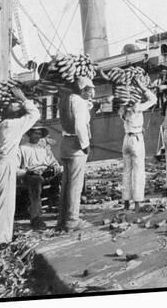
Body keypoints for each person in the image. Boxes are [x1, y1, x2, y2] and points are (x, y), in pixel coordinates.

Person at [0, 87, 40, 248]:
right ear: (12, 112)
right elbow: (34, 114)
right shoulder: (14, 125)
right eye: (16, 106)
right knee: (4, 202)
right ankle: (0, 240)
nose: (19, 107)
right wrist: (23, 98)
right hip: (6, 163)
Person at [56, 76, 95, 232]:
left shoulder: (66, 99)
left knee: (66, 184)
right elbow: (79, 125)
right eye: (90, 91)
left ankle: (62, 220)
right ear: (83, 89)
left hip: (65, 144)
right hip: (76, 144)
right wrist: (85, 145)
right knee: (75, 185)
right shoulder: (78, 101)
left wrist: (88, 106)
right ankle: (72, 221)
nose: (91, 94)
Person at [118, 80, 157, 212]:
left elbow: (124, 113)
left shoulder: (123, 109)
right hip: (136, 139)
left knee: (127, 171)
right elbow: (153, 99)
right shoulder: (137, 107)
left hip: (126, 139)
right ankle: (137, 202)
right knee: (139, 171)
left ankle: (126, 202)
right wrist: (142, 87)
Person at [19, 125, 62, 229]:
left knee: (63, 174)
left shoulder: (43, 148)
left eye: (39, 134)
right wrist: (29, 171)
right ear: (30, 134)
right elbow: (18, 168)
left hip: (45, 171)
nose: (38, 136)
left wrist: (55, 165)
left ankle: (58, 202)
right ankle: (36, 218)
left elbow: (52, 160)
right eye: (35, 133)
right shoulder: (23, 148)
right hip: (31, 174)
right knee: (36, 182)